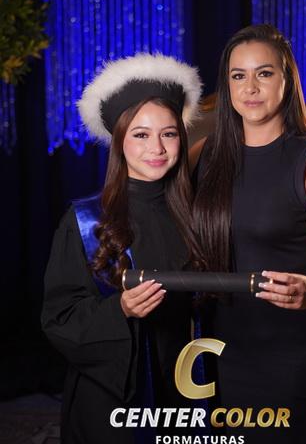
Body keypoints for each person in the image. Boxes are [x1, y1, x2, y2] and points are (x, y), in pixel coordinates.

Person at [192, 24, 306, 443]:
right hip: (217, 349)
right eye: (238, 75)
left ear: (287, 78)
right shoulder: (204, 155)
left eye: (264, 73)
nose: (250, 87)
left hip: (290, 352)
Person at [42, 53, 202, 443]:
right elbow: (59, 318)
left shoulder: (200, 216)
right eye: (141, 135)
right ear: (119, 142)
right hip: (112, 401)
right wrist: (121, 310)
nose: (157, 148)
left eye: (169, 133)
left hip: (186, 388)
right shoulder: (85, 222)